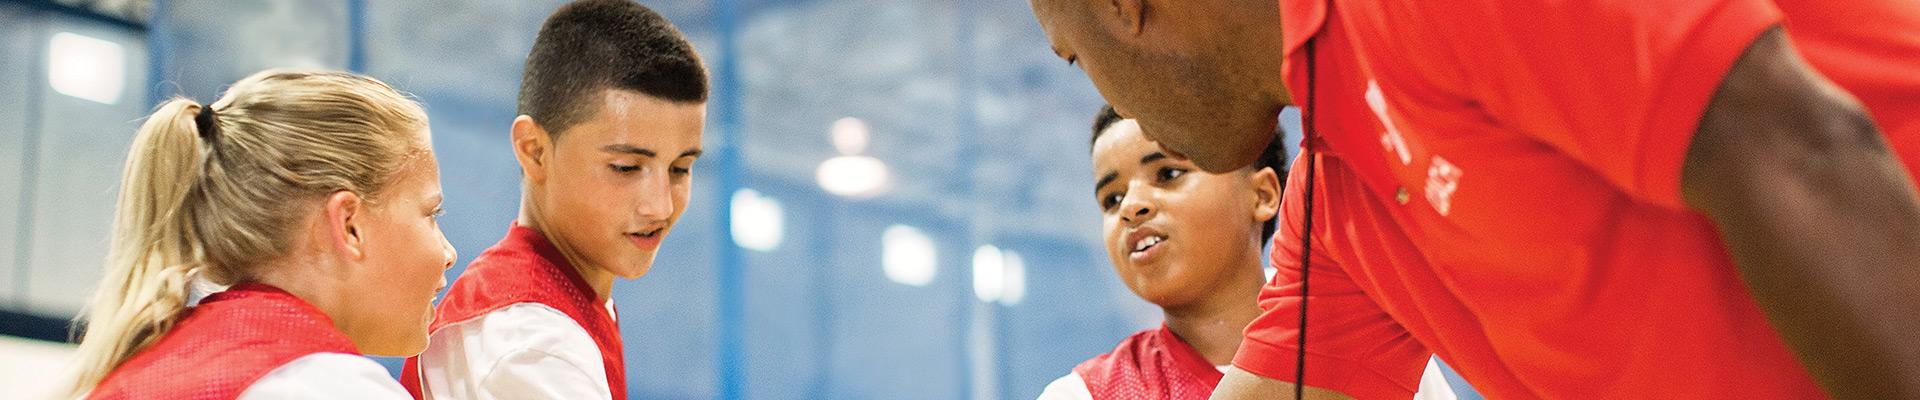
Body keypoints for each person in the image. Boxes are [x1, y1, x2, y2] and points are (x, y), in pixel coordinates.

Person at [1027, 0, 1920, 398]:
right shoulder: (1337, 203)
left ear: (1125, 6)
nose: (1124, 113)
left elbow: (1798, 144)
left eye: (1077, 58)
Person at [61, 69, 454, 399]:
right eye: (431, 213)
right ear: (349, 225)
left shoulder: (144, 369)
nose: (448, 252)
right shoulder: (328, 387)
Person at [399, 1, 707, 399]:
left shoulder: (559, 306)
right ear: (534, 151)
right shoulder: (531, 345)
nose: (660, 207)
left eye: (680, 169)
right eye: (626, 168)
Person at [1039, 107, 1454, 400]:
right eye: (1111, 200)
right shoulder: (1083, 393)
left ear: (1264, 194)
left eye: (1168, 174)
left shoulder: (1373, 346)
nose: (1131, 207)